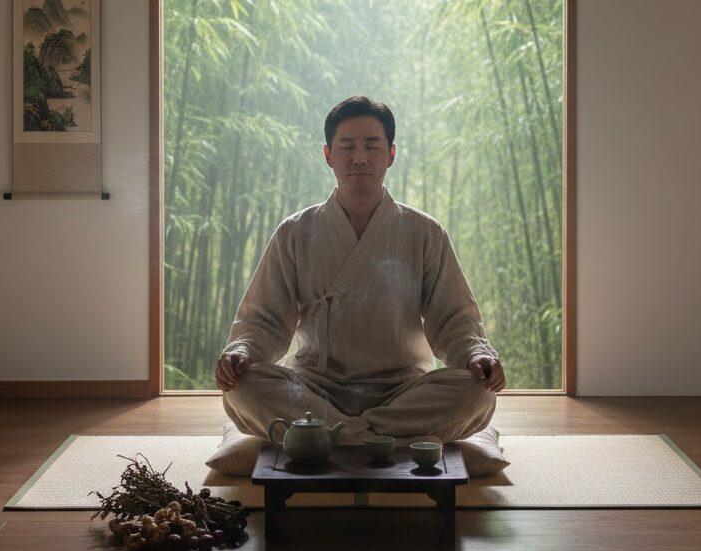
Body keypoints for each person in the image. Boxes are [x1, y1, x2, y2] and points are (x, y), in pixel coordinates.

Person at [216, 96, 505, 445]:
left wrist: (477, 354)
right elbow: (264, 319)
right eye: (347, 146)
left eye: (372, 146)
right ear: (328, 156)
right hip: (314, 387)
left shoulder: (424, 232)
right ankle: (376, 437)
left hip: (402, 389)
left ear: (391, 154)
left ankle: (331, 435)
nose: (360, 158)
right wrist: (243, 351)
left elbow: (455, 319)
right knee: (242, 388)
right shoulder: (294, 232)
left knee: (477, 392)